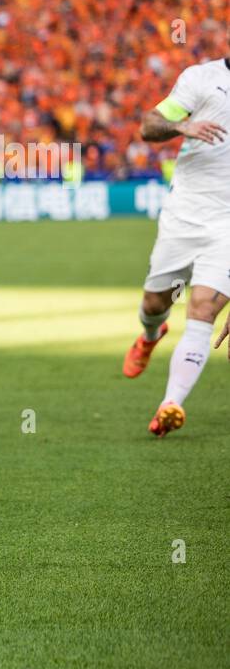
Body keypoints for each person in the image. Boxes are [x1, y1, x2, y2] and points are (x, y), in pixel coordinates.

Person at [124, 58, 230, 436]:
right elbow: (148, 125)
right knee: (155, 304)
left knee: (202, 307)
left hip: (227, 228)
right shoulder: (201, 79)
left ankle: (170, 405)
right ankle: (151, 336)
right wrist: (182, 125)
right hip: (183, 217)